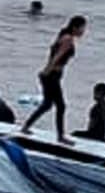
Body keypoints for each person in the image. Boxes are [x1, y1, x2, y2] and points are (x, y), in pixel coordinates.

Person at [22, 15, 87, 144]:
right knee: (61, 106)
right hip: (51, 76)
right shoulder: (67, 39)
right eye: (82, 28)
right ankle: (60, 136)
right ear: (75, 27)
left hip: (52, 75)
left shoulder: (64, 36)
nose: (83, 31)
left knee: (47, 105)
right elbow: (56, 57)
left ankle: (26, 126)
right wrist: (46, 71)